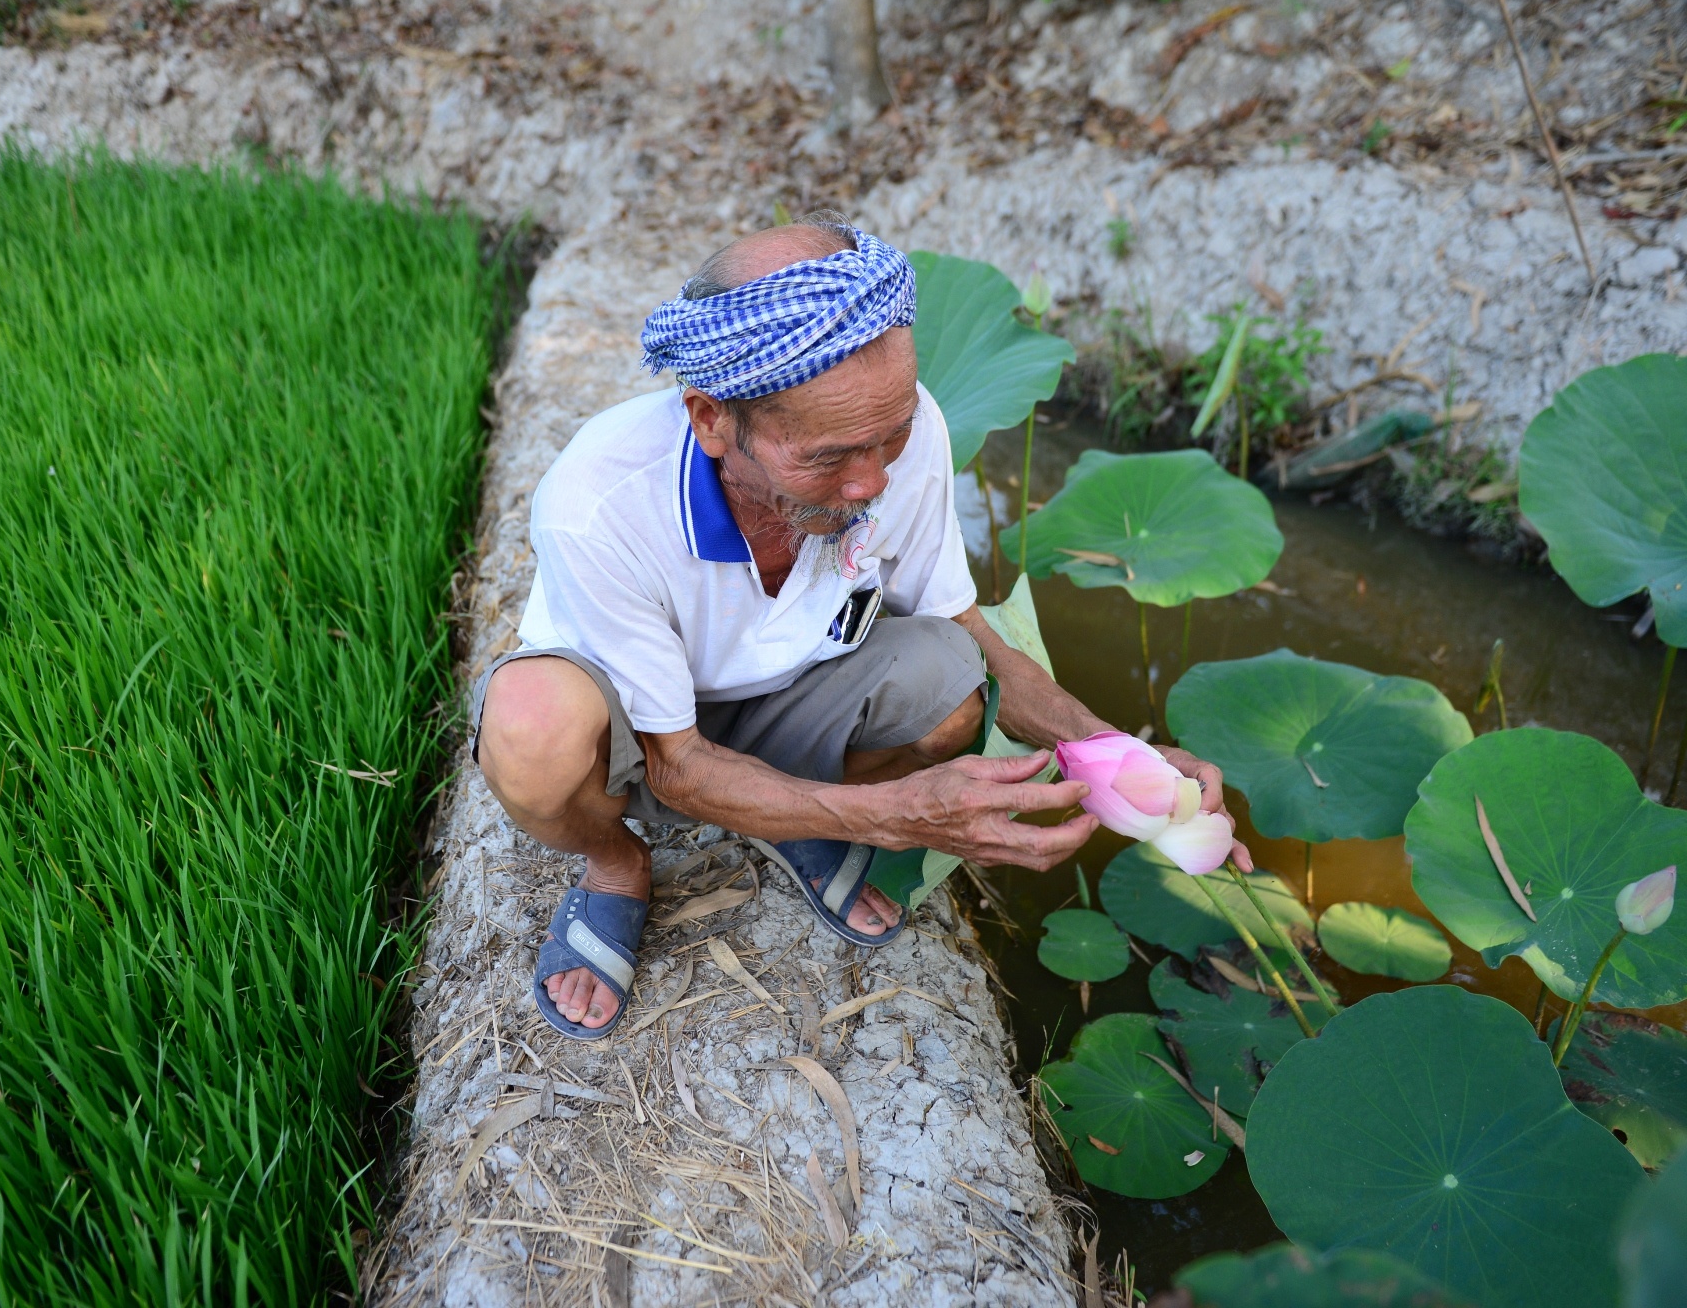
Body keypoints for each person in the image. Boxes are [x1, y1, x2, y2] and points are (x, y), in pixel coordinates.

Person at [473, 212, 1246, 1039]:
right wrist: (886, 815)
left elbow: (965, 625)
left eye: (895, 434)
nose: (871, 481)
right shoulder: (599, 502)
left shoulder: (898, 444)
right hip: (637, 732)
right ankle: (616, 861)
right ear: (709, 418)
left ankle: (801, 823)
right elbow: (678, 769)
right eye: (829, 455)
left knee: (951, 685)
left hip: (787, 693)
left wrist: (1119, 756)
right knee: (529, 728)